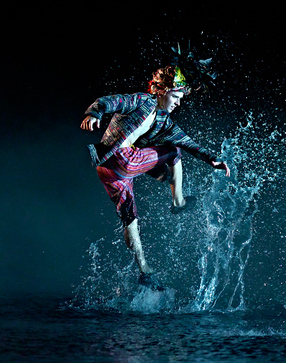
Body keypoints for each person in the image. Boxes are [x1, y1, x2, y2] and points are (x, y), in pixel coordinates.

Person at [81, 63, 230, 291]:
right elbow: (110, 101)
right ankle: (178, 201)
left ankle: (144, 271)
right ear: (164, 90)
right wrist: (94, 113)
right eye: (177, 97)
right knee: (173, 151)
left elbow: (187, 141)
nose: (178, 103)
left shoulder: (163, 122)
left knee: (130, 219)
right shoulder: (143, 101)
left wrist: (212, 159)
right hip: (122, 160)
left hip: (108, 171)